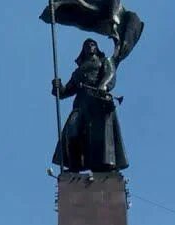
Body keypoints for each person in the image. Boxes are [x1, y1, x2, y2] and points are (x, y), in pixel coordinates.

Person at [51, 38, 130, 173]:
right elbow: (65, 92)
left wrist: (103, 85)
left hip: (98, 102)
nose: (90, 46)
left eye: (93, 44)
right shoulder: (78, 72)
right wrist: (57, 87)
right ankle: (74, 164)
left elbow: (110, 74)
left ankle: (104, 165)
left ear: (97, 47)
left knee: (99, 134)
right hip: (81, 104)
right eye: (87, 45)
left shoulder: (104, 61)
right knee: (72, 129)